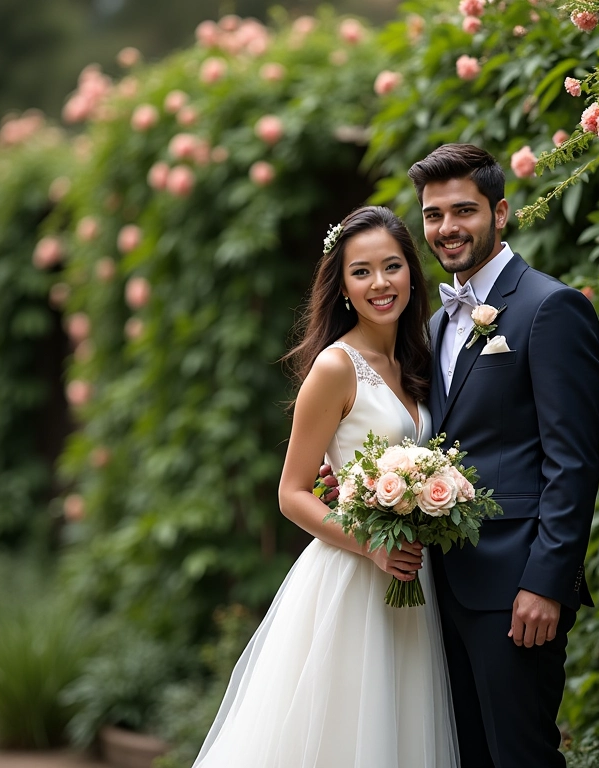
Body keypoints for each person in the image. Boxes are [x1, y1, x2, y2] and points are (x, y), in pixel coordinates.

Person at [191, 206, 460, 768]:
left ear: (412, 272)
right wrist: (373, 543)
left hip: (414, 581)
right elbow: (291, 492)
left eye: (391, 266)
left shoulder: (418, 361)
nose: (380, 283)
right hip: (354, 579)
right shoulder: (335, 368)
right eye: (361, 272)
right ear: (341, 287)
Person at [407, 143, 599, 768]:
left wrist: (547, 584)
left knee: (522, 756)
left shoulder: (551, 307)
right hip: (442, 584)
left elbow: (573, 463)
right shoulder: (437, 325)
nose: (447, 228)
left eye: (463, 210)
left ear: (502, 211)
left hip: (517, 589)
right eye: (433, 215)